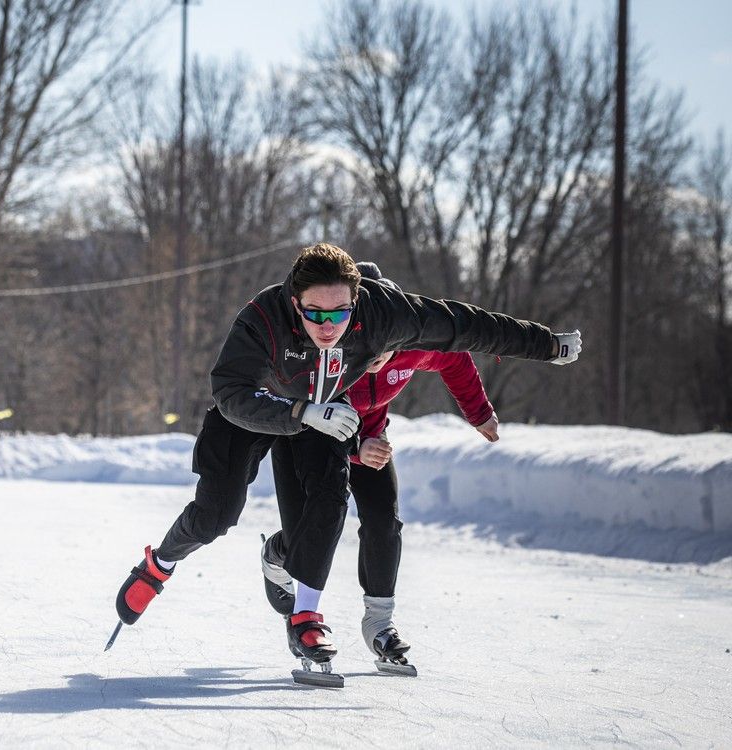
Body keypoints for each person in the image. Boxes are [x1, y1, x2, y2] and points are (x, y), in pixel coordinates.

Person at [113, 243, 581, 665]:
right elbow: (230, 390)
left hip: (322, 413)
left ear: (357, 303)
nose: (327, 326)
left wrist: (545, 344)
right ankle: (159, 565)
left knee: (332, 499)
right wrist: (301, 412)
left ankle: (305, 619)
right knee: (217, 515)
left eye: (339, 315)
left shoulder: (384, 313)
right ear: (294, 302)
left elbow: (464, 327)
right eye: (314, 314)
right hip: (253, 412)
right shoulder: (262, 317)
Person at [260, 261, 502, 667]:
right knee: (312, 530)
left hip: (371, 436)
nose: (372, 351)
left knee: (383, 522)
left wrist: (479, 415)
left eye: (384, 335)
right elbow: (303, 408)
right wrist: (356, 447)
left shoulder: (414, 345)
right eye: (364, 336)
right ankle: (277, 554)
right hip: (310, 439)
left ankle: (380, 625)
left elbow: (455, 359)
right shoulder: (324, 348)